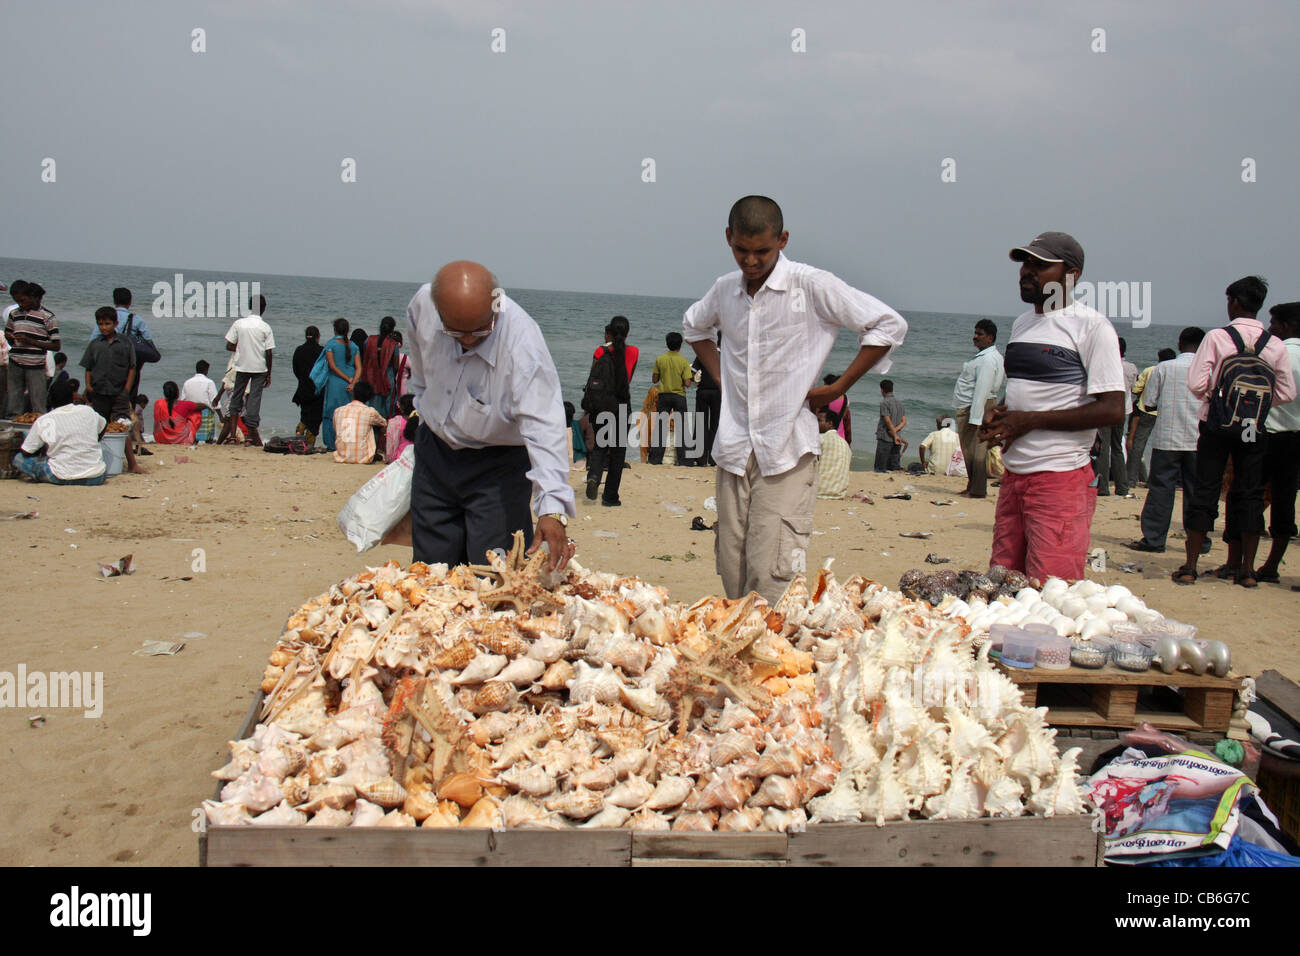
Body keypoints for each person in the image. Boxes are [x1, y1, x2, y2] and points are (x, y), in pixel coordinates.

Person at [684, 196, 906, 603]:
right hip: (734, 450)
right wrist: (722, 377)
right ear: (728, 238)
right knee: (732, 568)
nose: (750, 261)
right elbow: (693, 327)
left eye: (762, 252)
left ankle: (770, 652)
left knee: (774, 571)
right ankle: (740, 651)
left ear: (782, 240)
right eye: (741, 251)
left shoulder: (811, 285)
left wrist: (839, 388)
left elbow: (887, 325)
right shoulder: (723, 291)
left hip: (787, 450)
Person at [405, 261, 575, 570]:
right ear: (439, 311)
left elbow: (544, 425)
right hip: (434, 456)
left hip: (498, 470)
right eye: (456, 331)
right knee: (431, 570)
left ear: (497, 303)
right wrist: (423, 399)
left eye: (480, 330)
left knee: (494, 571)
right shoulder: (423, 304)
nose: (468, 340)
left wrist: (552, 507)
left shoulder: (523, 343)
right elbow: (418, 352)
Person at [979, 231, 1126, 582]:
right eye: (1025, 263)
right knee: (1004, 583)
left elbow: (1112, 409)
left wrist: (1028, 421)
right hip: (1014, 478)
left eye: (1040, 265)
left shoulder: (1092, 327)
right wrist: (1001, 413)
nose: (1027, 271)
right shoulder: (1022, 324)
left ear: (1071, 275)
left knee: (1051, 590)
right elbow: (1026, 393)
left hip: (1060, 478)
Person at [1174, 277, 1297, 586]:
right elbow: (1286, 393)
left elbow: (1196, 383)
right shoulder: (1275, 344)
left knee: (1207, 488)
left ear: (1234, 302)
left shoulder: (1218, 337)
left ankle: (1190, 566)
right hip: (1251, 428)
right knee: (1250, 490)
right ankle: (1247, 571)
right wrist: (1257, 408)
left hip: (1217, 425)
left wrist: (1217, 399)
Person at [1207, 301, 1300, 585]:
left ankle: (1237, 562)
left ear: (1286, 326)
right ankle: (1270, 566)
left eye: (1273, 324)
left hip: (1257, 432)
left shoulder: (1276, 351)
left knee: (1244, 495)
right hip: (1295, 438)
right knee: (1285, 500)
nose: (1270, 329)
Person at [1127, 328, 1206, 553]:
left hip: (1167, 438)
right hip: (1198, 439)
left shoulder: (1164, 368)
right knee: (1196, 492)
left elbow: (1149, 402)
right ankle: (1199, 540)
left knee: (1161, 490)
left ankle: (1154, 539)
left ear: (1180, 344)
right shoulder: (1207, 370)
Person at [12, 379, 108, 485]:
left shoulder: (44, 420)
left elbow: (26, 451)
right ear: (72, 397)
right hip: (96, 476)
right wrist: (93, 440)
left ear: (50, 399)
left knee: (19, 459)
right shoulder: (87, 411)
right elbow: (103, 425)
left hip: (60, 475)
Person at [584, 316, 636, 504]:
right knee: (618, 451)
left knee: (600, 445)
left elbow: (593, 380)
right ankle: (610, 496)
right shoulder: (633, 352)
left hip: (602, 405)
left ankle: (594, 477)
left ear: (610, 333)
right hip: (622, 404)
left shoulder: (600, 351)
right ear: (627, 333)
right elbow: (627, 379)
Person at [953, 318, 1005, 497]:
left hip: (975, 406)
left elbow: (981, 390)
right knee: (972, 449)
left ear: (990, 338)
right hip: (976, 405)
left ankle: (976, 489)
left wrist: (975, 418)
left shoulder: (988, 360)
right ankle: (973, 486)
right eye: (975, 333)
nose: (975, 337)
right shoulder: (989, 356)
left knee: (973, 450)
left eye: (979, 334)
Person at [217, 296, 274, 447]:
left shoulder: (239, 324)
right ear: (263, 308)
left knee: (236, 399)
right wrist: (269, 374)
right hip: (259, 368)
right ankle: (250, 436)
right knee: (253, 402)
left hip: (241, 366)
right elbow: (269, 352)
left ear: (249, 306)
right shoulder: (265, 327)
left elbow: (229, 345)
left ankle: (233, 436)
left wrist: (242, 348)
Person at [89, 288, 155, 401]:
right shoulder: (137, 320)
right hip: (129, 368)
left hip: (105, 366)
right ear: (130, 302)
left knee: (102, 400)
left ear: (114, 301)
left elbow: (92, 343)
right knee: (127, 402)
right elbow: (148, 344)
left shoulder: (106, 319)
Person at [5, 281, 60, 417]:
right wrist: (10, 337)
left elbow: (56, 346)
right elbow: (9, 336)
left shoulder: (47, 317)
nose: (21, 304)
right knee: (14, 401)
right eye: (17, 302)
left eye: (23, 300)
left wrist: (30, 341)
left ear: (31, 296)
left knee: (38, 402)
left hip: (35, 364)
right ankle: (15, 429)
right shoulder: (14, 314)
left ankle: (38, 429)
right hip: (15, 361)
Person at [1127, 348, 1176, 487]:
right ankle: (1154, 480)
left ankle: (1131, 479)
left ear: (1159, 358)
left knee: (1138, 445)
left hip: (1146, 410)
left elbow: (1136, 389)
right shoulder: (1174, 372)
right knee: (1162, 447)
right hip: (1166, 413)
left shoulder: (1150, 370)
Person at [1096, 336, 1137, 497]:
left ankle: (1102, 487)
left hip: (1105, 410)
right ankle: (1122, 487)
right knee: (1117, 448)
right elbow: (1133, 388)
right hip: (1122, 410)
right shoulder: (1131, 367)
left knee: (1103, 448)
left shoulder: (1104, 366)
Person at [649, 331, 692, 466]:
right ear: (680, 345)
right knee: (682, 428)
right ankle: (684, 460)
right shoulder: (684, 361)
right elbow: (687, 383)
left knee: (660, 427)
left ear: (667, 344)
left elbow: (654, 379)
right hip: (679, 396)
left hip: (664, 395)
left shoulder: (660, 359)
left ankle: (655, 459)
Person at [320, 318, 360, 452]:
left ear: (335, 329)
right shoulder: (354, 346)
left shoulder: (330, 345)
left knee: (332, 413)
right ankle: (347, 444)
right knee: (348, 415)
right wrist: (353, 382)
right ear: (348, 330)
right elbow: (359, 368)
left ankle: (332, 445)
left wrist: (347, 379)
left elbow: (332, 366)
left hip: (335, 384)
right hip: (351, 385)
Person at [332, 380, 388, 463]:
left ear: (353, 393)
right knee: (377, 424)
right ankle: (375, 451)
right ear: (369, 397)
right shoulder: (370, 412)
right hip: (363, 458)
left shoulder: (338, 411)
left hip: (341, 456)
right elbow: (384, 423)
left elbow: (336, 428)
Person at [692, 332, 722, 466]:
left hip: (703, 391)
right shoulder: (726, 357)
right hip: (718, 392)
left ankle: (700, 458)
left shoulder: (705, 354)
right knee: (715, 425)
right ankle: (713, 458)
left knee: (700, 423)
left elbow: (693, 372)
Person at [362, 316, 402, 418]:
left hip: (371, 378)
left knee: (372, 407)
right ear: (392, 329)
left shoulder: (369, 340)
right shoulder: (393, 345)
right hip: (387, 378)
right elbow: (396, 366)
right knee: (387, 411)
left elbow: (365, 357)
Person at [291, 326, 325, 446]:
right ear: (318, 337)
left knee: (304, 415)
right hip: (318, 390)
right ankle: (309, 445)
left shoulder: (299, 350)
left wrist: (302, 380)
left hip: (303, 389)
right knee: (314, 420)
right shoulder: (322, 350)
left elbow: (295, 369)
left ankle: (298, 438)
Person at [181, 359, 220, 444]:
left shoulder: (187, 382)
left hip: (191, 413)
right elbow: (214, 400)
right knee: (208, 437)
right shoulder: (209, 382)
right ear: (206, 370)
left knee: (193, 436)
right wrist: (220, 416)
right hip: (205, 413)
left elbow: (183, 400)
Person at [153, 380, 204, 445]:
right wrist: (209, 406)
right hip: (182, 439)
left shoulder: (158, 403)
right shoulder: (185, 404)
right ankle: (191, 438)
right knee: (195, 414)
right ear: (177, 393)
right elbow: (202, 406)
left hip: (162, 439)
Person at [816, 408, 851, 499]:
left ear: (830, 424)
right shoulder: (845, 444)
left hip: (818, 491)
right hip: (839, 493)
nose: (815, 423)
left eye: (819, 420)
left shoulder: (820, 439)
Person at [873, 380, 906, 472]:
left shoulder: (884, 403)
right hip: (897, 439)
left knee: (880, 468)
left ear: (882, 390)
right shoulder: (900, 403)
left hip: (885, 437)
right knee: (894, 467)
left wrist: (893, 434)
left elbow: (887, 420)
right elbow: (904, 422)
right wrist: (895, 432)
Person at [822, 373, 853, 446]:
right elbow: (847, 422)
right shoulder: (845, 400)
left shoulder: (824, 399)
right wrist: (848, 442)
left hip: (826, 437)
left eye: (824, 385)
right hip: (841, 437)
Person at [387, 393, 417, 463]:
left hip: (400, 458)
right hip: (416, 458)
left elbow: (391, 444)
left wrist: (389, 459)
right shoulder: (422, 421)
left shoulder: (395, 422)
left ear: (401, 408)